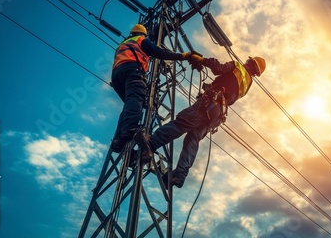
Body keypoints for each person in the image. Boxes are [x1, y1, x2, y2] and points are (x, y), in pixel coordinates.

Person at [145, 54, 266, 188]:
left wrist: (201, 60)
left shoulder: (238, 66)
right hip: (217, 115)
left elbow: (218, 68)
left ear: (250, 62)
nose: (246, 61)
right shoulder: (248, 84)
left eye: (248, 60)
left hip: (208, 105)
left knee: (181, 123)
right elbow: (229, 90)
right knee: (193, 139)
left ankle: (150, 145)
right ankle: (179, 174)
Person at [110, 24, 191, 160]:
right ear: (143, 34)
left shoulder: (123, 43)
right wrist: (181, 56)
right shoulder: (141, 39)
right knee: (136, 98)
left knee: (130, 104)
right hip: (132, 69)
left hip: (117, 75)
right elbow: (157, 52)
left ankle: (118, 140)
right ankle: (129, 129)